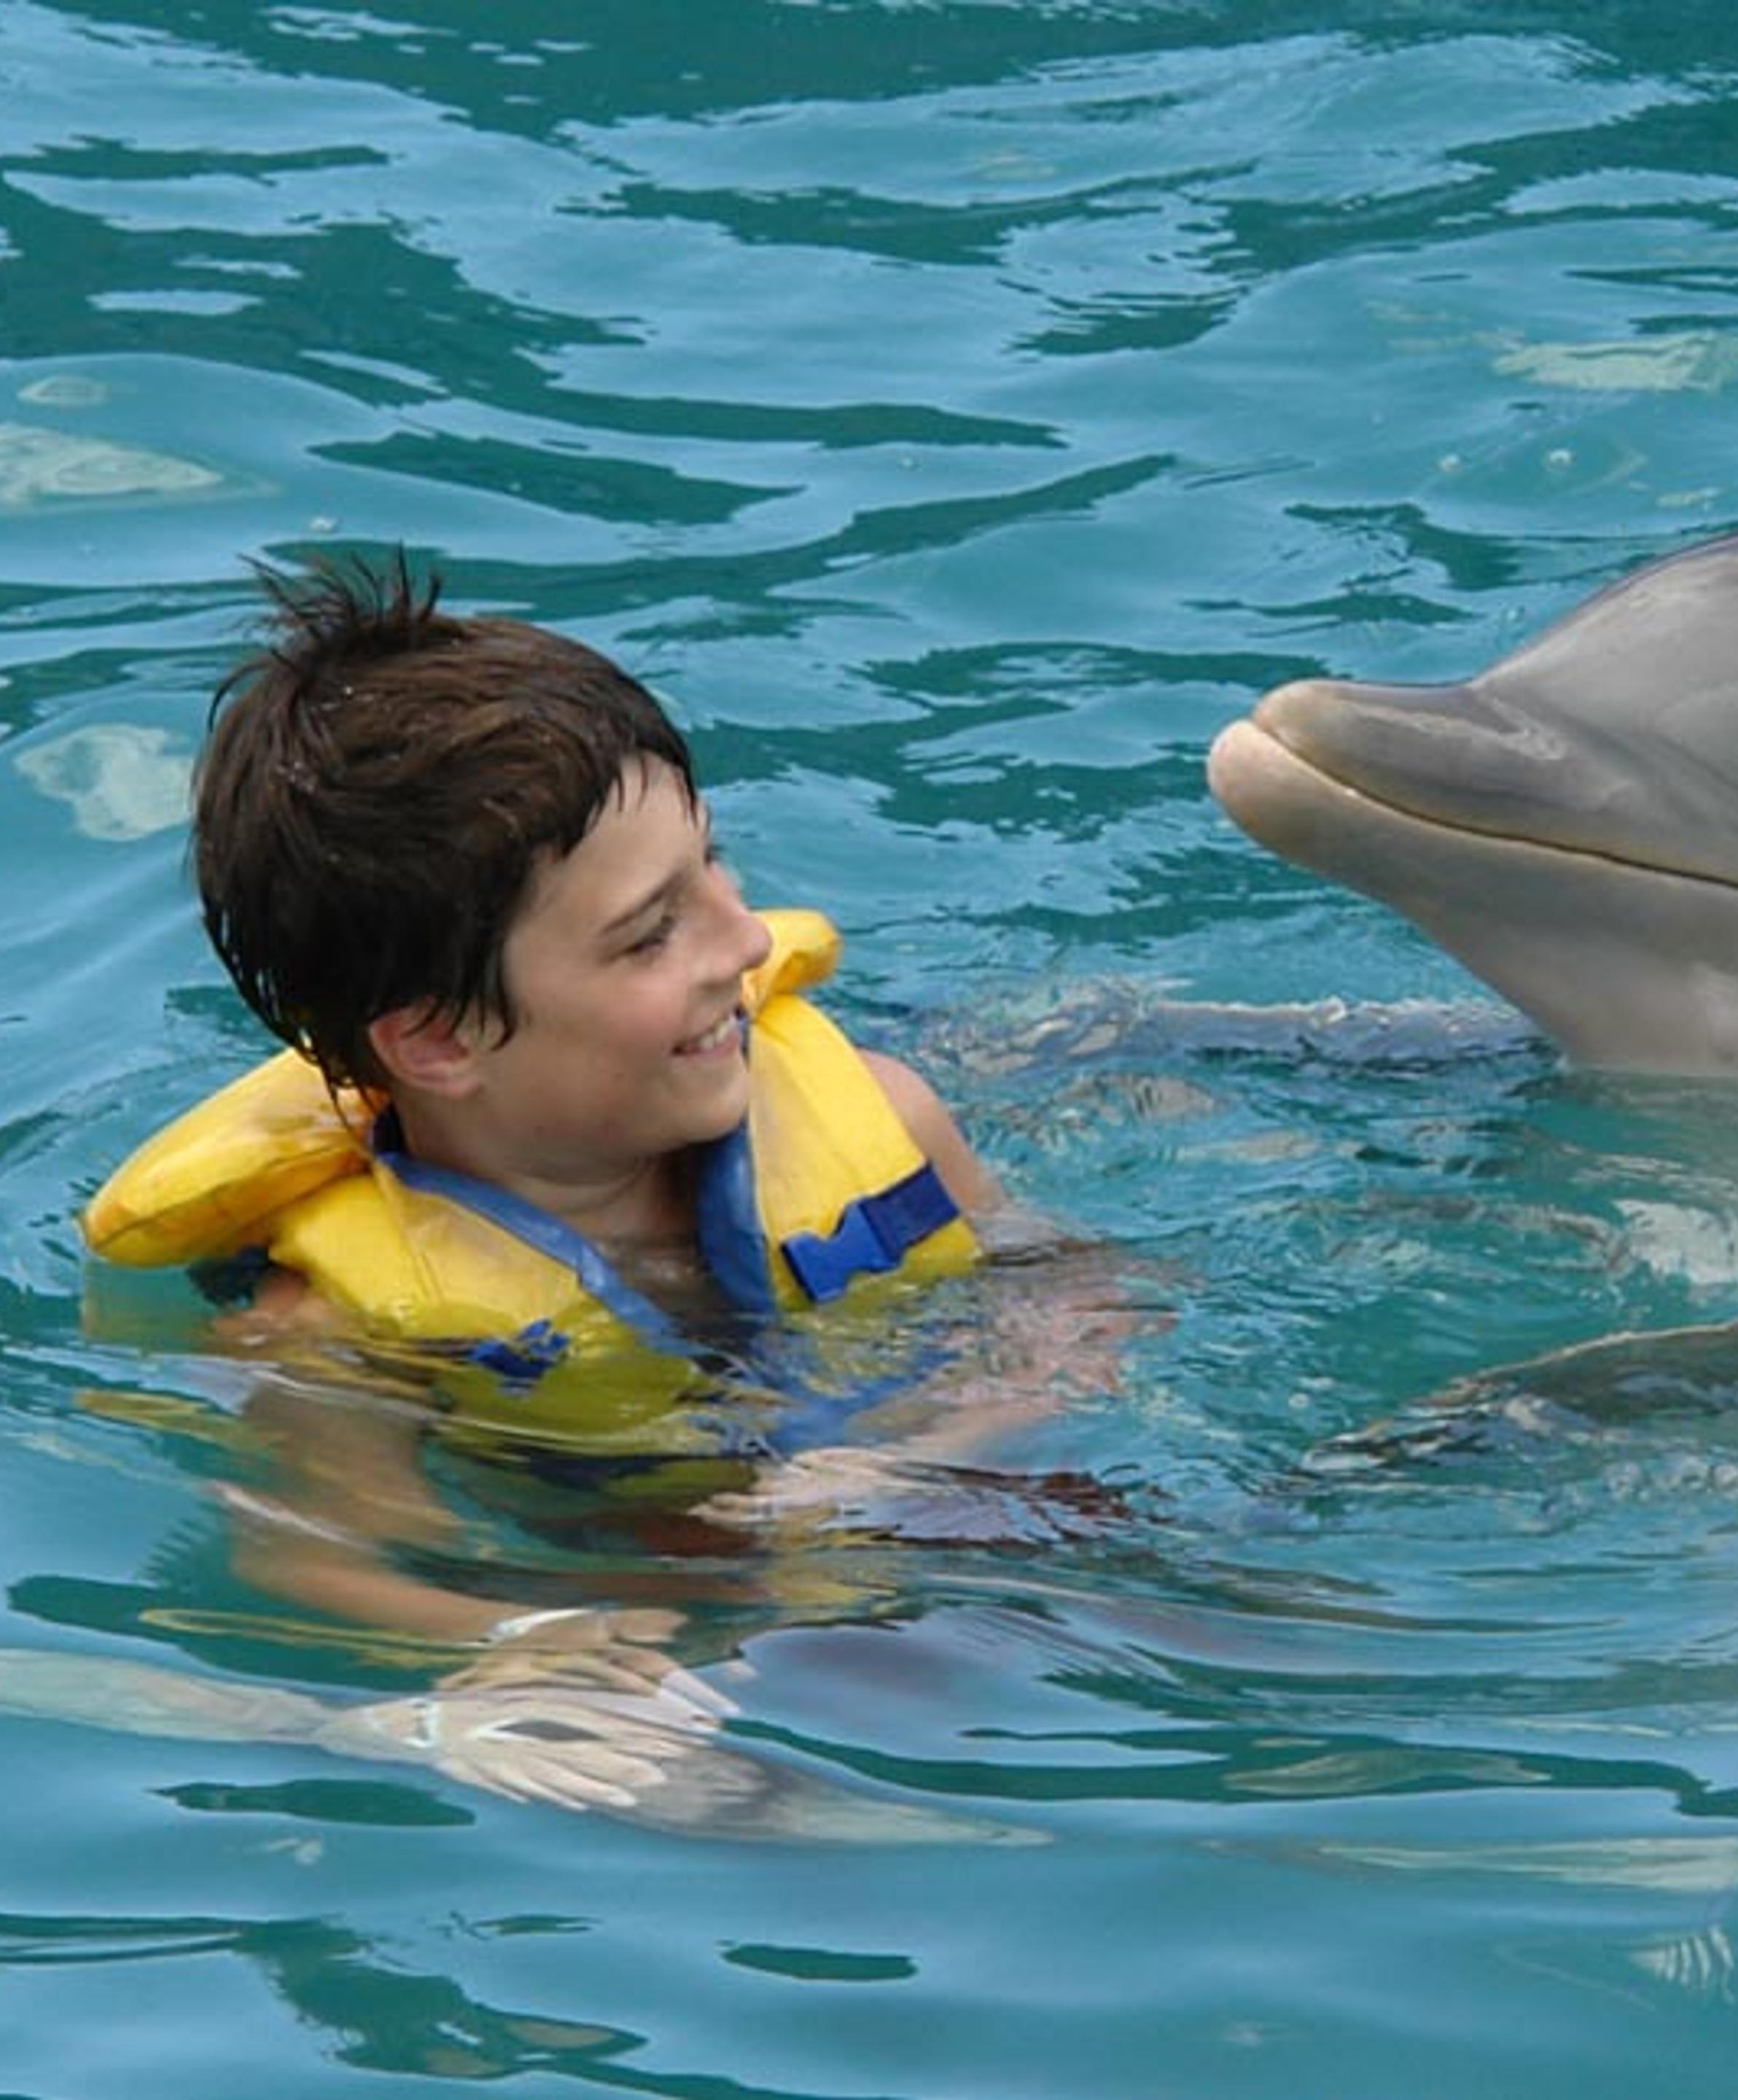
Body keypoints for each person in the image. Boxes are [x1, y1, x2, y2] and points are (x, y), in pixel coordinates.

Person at [81, 552, 1052, 1809]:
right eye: (653, 932)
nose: (746, 941)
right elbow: (308, 1558)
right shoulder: (343, 1336)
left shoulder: (890, 1115)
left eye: (717, 868)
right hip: (701, 1630)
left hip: (992, 1533)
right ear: (437, 1040)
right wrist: (517, 1643)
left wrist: (911, 1459)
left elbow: (1082, 1318)